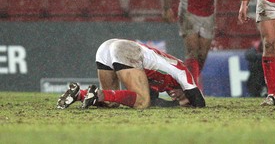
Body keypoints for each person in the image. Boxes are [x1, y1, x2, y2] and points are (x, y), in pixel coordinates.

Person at [56, 38, 206, 109]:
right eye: (185, 96)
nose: (175, 95)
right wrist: (183, 103)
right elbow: (199, 101)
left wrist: (176, 103)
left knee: (111, 102)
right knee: (142, 103)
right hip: (126, 50)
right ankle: (98, 94)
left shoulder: (164, 83)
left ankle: (79, 94)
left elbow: (153, 100)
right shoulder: (182, 72)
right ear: (187, 90)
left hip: (107, 47)